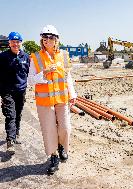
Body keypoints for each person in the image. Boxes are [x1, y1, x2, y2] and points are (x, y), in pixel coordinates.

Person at [28, 25, 77, 175]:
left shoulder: (64, 55)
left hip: (62, 98)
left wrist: (72, 94)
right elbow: (30, 80)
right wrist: (44, 73)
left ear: (56, 40)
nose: (47, 40)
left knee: (65, 127)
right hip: (45, 101)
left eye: (51, 37)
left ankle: (62, 146)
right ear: (41, 39)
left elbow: (67, 76)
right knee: (49, 130)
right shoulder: (35, 57)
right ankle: (54, 157)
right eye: (45, 37)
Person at [0, 32, 30, 153]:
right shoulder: (2, 57)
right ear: (9, 43)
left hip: (21, 90)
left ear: (20, 43)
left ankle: (16, 133)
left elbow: (27, 73)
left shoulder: (25, 56)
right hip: (7, 91)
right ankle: (10, 140)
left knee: (18, 113)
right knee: (10, 114)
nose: (15, 44)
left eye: (17, 42)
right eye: (13, 42)